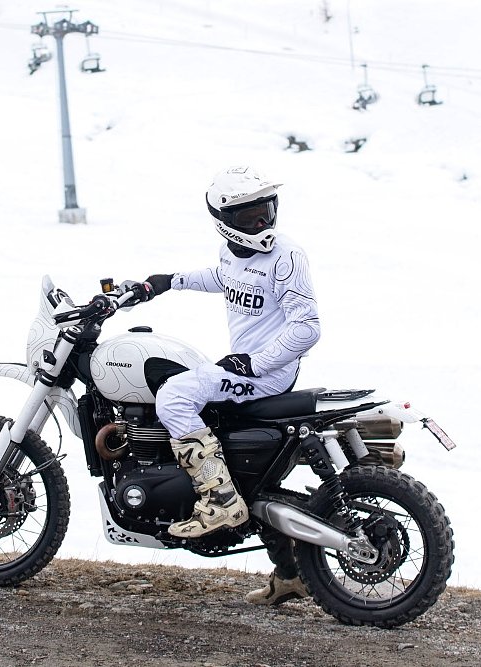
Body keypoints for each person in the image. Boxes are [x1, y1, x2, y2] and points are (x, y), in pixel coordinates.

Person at [135, 165, 321, 605]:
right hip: (249, 369)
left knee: (174, 395)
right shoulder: (231, 253)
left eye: (266, 211)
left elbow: (307, 327)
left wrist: (254, 363)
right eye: (250, 215)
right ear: (225, 221)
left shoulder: (286, 257)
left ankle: (219, 500)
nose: (262, 223)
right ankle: (290, 573)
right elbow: (225, 279)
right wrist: (168, 282)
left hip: (265, 374)